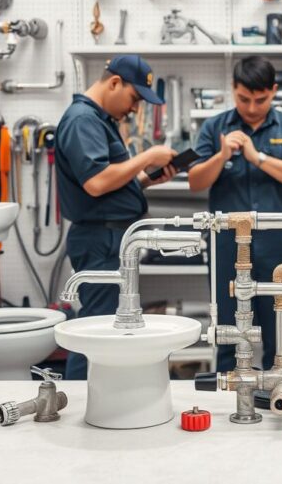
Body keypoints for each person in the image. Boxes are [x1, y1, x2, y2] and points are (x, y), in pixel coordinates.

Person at [188, 56, 282, 371]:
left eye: (261, 99)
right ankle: (230, 405)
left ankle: (280, 400)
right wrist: (221, 155)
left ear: (273, 91)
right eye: (244, 99)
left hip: (279, 248)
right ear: (233, 89)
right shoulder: (214, 127)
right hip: (226, 248)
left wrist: (255, 156)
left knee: (280, 340)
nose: (252, 107)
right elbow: (195, 181)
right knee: (229, 337)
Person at [55, 55, 177, 379]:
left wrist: (148, 180)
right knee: (97, 329)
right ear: (114, 83)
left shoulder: (100, 119)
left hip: (111, 238)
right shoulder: (83, 120)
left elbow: (109, 182)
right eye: (134, 98)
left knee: (110, 326)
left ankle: (101, 401)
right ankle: (79, 401)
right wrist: (147, 155)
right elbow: (96, 184)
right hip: (100, 240)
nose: (135, 109)